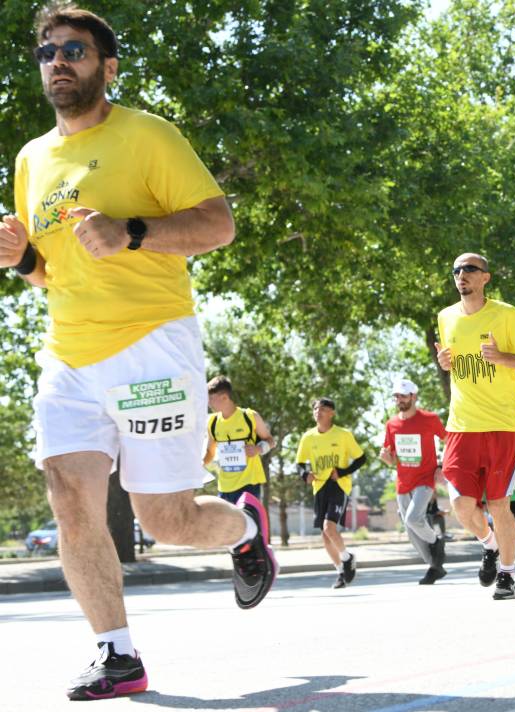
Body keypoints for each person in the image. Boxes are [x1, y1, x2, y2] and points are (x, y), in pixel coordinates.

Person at [0, 6, 275, 699]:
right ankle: (118, 654)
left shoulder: (149, 135)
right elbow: (47, 271)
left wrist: (133, 231)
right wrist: (20, 257)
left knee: (166, 519)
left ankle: (244, 528)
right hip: (68, 355)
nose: (58, 61)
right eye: (47, 53)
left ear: (107, 67)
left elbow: (219, 224)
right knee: (68, 496)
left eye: (75, 50)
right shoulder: (32, 159)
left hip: (152, 347)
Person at [434, 252, 515, 600]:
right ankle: (489, 545)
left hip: (501, 425)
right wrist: (444, 363)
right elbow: (453, 363)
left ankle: (507, 575)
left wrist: (501, 358)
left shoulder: (506, 315)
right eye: (456, 271)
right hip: (461, 426)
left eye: (468, 270)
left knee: (498, 505)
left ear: (485, 278)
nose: (460, 275)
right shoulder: (445, 317)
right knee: (462, 505)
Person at [379, 378, 448, 585]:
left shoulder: (429, 418)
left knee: (412, 519)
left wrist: (441, 466)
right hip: (403, 481)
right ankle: (435, 566)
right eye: (396, 396)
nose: (398, 399)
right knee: (410, 529)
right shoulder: (391, 424)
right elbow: (392, 459)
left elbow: (449, 440)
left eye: (403, 395)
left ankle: (437, 543)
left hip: (425, 479)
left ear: (413, 397)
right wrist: (386, 458)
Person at [296, 398, 367, 589]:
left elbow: (361, 459)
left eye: (324, 409)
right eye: (316, 409)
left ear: (332, 413)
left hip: (339, 486)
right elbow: (300, 463)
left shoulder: (343, 435)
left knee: (329, 527)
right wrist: (305, 474)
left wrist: (342, 472)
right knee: (325, 536)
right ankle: (340, 571)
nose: (318, 412)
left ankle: (347, 557)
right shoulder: (308, 437)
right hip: (319, 487)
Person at [202, 376, 276, 504]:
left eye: (210, 399)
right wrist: (199, 464)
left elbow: (271, 441)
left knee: (249, 523)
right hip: (224, 487)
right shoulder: (212, 422)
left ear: (224, 397)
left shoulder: (250, 416)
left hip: (249, 485)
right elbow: (210, 453)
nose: (208, 403)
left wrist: (258, 449)